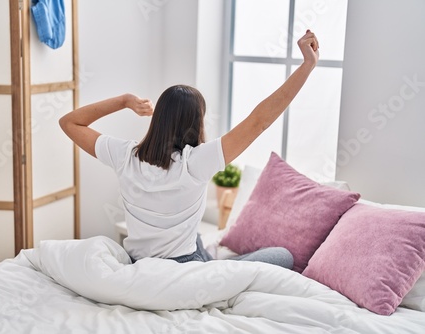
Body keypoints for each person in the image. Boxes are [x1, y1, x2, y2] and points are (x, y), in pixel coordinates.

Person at [59, 30, 319, 269]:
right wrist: (308, 65)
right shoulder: (195, 162)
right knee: (282, 256)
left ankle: (210, 257)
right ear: (196, 124)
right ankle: (214, 264)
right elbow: (258, 121)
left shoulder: (125, 155)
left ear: (158, 118)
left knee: (196, 238)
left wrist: (124, 101)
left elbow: (69, 122)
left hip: (139, 262)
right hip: (186, 267)